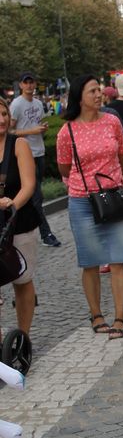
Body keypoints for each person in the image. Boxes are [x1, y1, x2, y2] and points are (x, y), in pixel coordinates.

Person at [56, 75, 123, 338]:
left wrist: (121, 177)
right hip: (82, 200)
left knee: (119, 258)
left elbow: (122, 154)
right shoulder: (67, 131)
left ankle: (120, 317)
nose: (99, 95)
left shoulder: (112, 122)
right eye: (93, 91)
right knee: (90, 262)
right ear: (80, 98)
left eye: (100, 90)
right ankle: (97, 315)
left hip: (112, 198)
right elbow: (64, 167)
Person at [0, 95, 39, 338]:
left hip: (19, 222)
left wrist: (12, 204)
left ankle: (22, 338)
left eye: (4, 114)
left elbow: (28, 184)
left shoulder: (18, 144)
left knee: (22, 279)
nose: (2, 119)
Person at [9, 71, 61, 247]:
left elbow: (37, 124)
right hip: (25, 154)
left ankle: (20, 228)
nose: (29, 85)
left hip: (40, 151)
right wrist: (31, 131)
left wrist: (42, 128)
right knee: (36, 195)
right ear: (21, 85)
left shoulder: (39, 103)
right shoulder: (16, 105)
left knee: (34, 196)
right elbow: (10, 131)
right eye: (26, 83)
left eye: (32, 82)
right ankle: (46, 234)